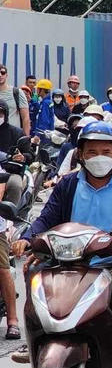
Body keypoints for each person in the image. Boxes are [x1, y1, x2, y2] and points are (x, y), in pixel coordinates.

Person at [11, 121, 112, 368]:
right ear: (80, 154)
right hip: (69, 260)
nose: (99, 158)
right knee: (35, 271)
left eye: (106, 152)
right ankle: (36, 338)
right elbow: (46, 218)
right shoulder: (67, 185)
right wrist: (27, 238)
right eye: (92, 152)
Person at [0, 100, 34, 340]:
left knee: (2, 267)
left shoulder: (13, 135)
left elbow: (3, 184)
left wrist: (21, 158)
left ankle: (12, 319)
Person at [0, 64, 31, 136]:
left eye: (3, 72)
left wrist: (25, 140)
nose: (0, 75)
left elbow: (25, 118)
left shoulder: (17, 92)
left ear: (6, 75)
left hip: (13, 138)